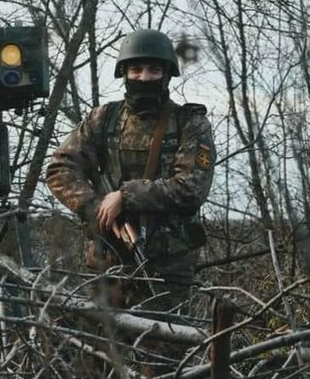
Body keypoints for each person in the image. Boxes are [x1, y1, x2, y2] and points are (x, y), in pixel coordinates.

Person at [46, 28, 215, 373]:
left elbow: (192, 187)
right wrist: (96, 209)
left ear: (166, 73)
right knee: (99, 361)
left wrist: (125, 196)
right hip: (108, 260)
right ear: (124, 73)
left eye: (153, 70)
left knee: (161, 364)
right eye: (136, 70)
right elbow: (60, 169)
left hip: (166, 269)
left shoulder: (190, 124)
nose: (144, 77)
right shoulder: (102, 119)